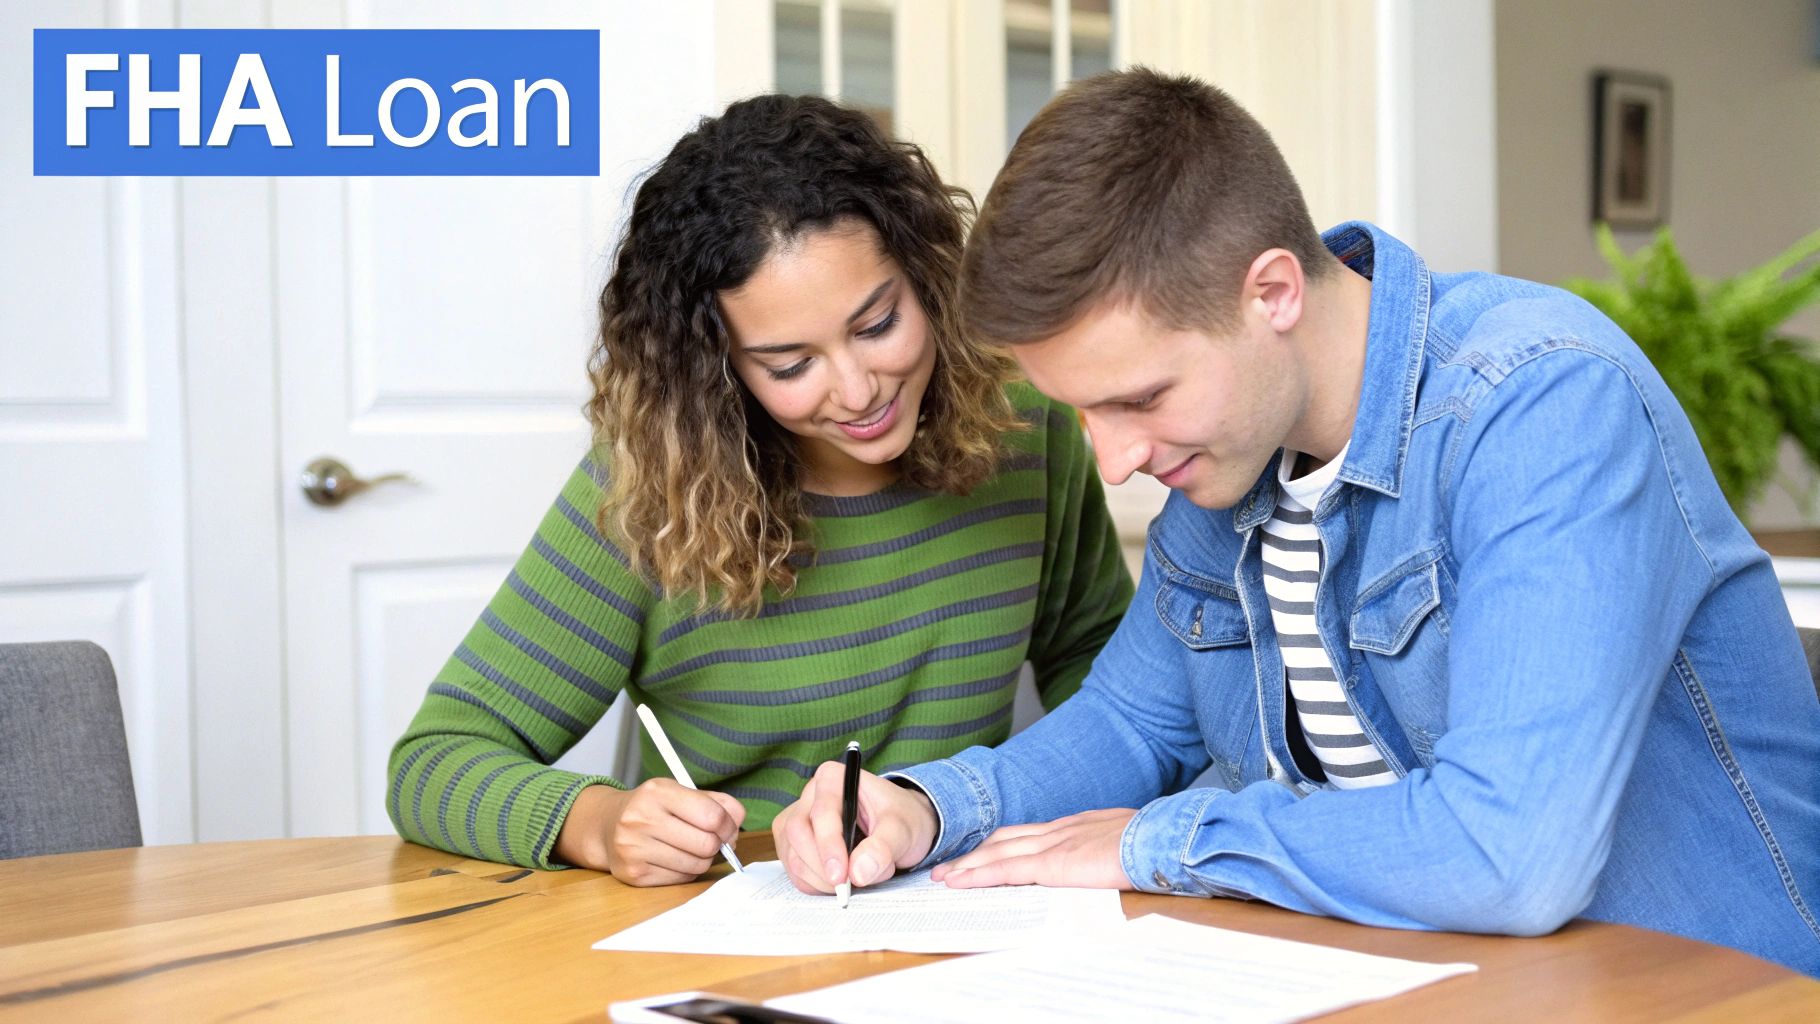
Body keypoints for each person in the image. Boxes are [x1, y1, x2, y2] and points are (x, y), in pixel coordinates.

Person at [775, 69, 1820, 977]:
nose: (1114, 459)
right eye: (1082, 412)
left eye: (1138, 397)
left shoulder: (1539, 405)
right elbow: (1134, 723)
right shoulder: (1228, 460)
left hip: (1701, 992)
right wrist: (923, 804)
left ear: (1270, 292)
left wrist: (1165, 841)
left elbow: (1509, 853)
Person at [387, 94, 1134, 886]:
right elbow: (434, 762)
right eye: (789, 365)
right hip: (742, 925)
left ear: (929, 278)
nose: (857, 389)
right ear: (721, 372)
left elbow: (1114, 685)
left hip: (964, 900)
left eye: (878, 325)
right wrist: (599, 824)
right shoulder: (655, 490)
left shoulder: (1028, 426)